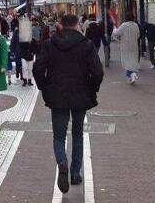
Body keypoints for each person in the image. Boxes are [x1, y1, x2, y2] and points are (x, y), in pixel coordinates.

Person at [33, 14, 104, 194]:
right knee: (78, 134)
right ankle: (75, 173)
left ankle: (62, 162)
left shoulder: (50, 44)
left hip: (57, 95)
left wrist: (45, 88)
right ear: (77, 25)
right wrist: (92, 89)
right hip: (80, 94)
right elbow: (97, 72)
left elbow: (38, 69)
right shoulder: (86, 45)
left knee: (59, 136)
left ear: (61, 25)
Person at [112, 13, 141, 84]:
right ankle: (131, 76)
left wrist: (115, 29)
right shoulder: (136, 25)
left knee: (127, 61)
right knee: (132, 61)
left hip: (125, 46)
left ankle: (131, 75)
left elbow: (117, 33)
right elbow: (138, 35)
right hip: (134, 46)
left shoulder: (124, 25)